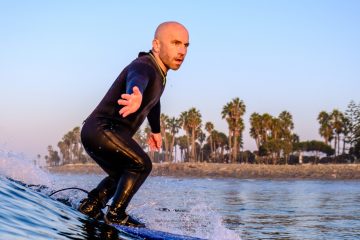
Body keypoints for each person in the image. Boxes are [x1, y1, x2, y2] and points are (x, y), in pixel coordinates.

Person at [78, 21, 189, 227]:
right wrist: (135, 93)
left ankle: (92, 204)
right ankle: (116, 215)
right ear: (156, 45)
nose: (182, 51)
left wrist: (155, 130)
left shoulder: (160, 74)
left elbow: (154, 102)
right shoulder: (145, 65)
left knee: (122, 172)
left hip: (95, 132)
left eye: (185, 45)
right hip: (101, 129)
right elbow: (137, 78)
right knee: (141, 164)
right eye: (175, 43)